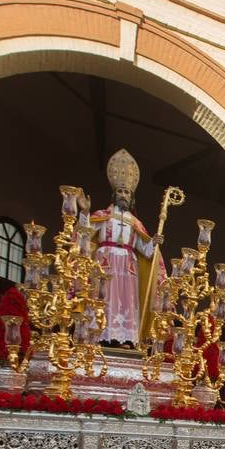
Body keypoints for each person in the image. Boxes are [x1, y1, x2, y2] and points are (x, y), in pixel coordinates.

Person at [91, 148, 162, 347]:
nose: (123, 195)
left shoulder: (135, 223)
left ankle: (125, 338)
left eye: (127, 192)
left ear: (131, 198)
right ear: (114, 194)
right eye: (120, 191)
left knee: (127, 301)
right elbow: (84, 231)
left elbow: (145, 250)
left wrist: (153, 243)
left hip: (128, 266)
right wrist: (84, 211)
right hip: (105, 262)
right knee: (104, 298)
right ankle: (99, 335)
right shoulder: (102, 215)